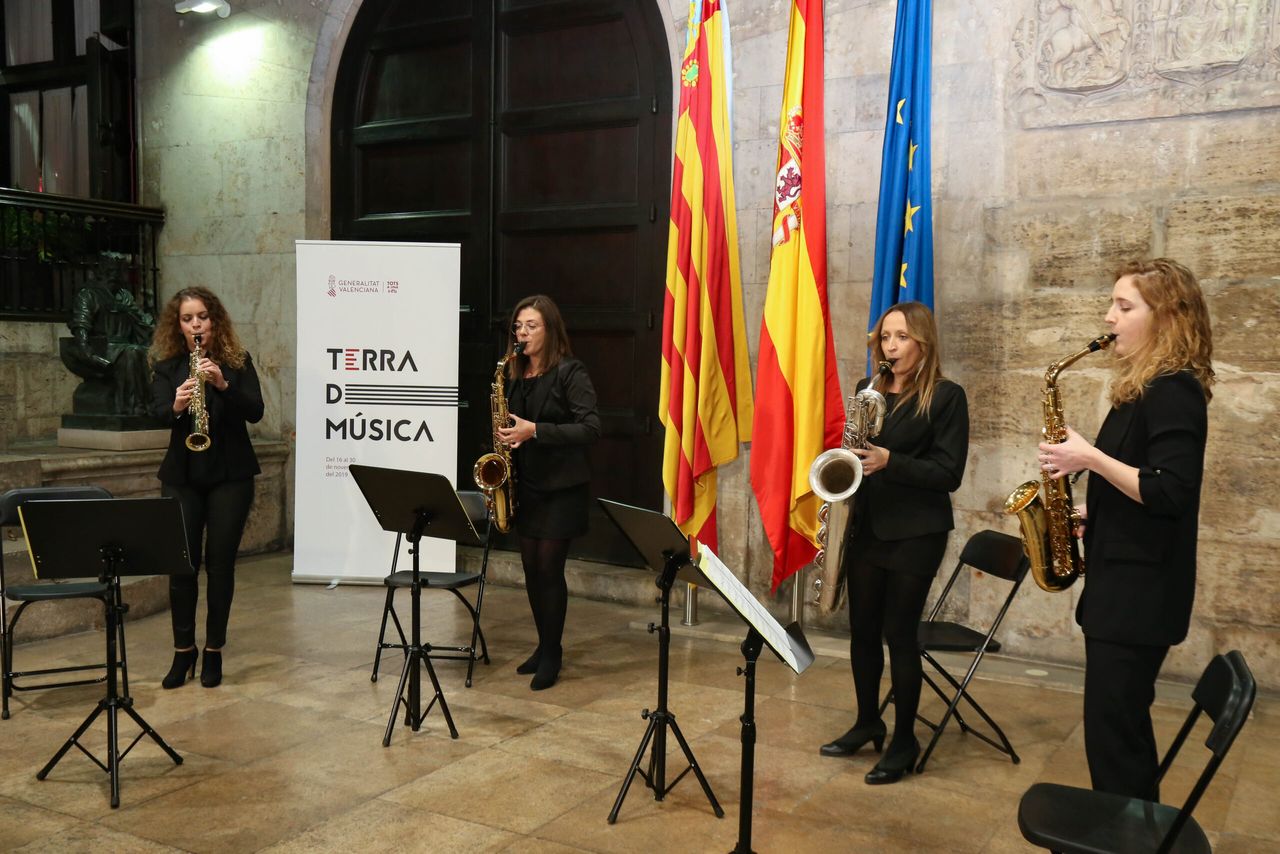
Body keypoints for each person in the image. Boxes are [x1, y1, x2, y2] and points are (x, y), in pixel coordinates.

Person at [1037, 258, 1213, 800]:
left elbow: (1168, 490)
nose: (1108, 316)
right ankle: (1131, 831)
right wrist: (1100, 511)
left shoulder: (1173, 389)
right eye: (1112, 303)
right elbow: (1143, 486)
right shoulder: (1143, 388)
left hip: (1140, 598)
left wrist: (1088, 457)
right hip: (1126, 589)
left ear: (1166, 317)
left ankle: (1127, 836)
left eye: (1124, 305)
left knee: (1116, 742)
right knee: (1120, 733)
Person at [819, 301, 969, 785]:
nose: (891, 347)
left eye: (901, 337)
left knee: (899, 636)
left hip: (915, 533)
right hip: (870, 526)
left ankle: (905, 740)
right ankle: (868, 721)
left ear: (922, 342)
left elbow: (949, 473)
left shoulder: (947, 396)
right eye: (885, 338)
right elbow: (854, 452)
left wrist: (891, 461)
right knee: (862, 632)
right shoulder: (868, 389)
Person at [148, 287, 264, 689]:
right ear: (177, 325)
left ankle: (214, 650)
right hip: (183, 475)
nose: (196, 324)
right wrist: (178, 405)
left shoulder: (236, 361)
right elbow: (157, 412)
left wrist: (223, 386)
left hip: (230, 474)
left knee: (220, 566)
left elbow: (256, 410)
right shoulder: (167, 365)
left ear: (215, 319)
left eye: (202, 317)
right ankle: (184, 652)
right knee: (182, 566)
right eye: (187, 318)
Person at [494, 295, 600, 691]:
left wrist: (534, 430)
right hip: (528, 485)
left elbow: (590, 428)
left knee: (549, 569)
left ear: (550, 329)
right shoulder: (514, 374)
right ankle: (543, 644)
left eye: (531, 326)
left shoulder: (571, 372)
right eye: (518, 327)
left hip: (562, 487)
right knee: (530, 571)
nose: (522, 334)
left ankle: (552, 653)